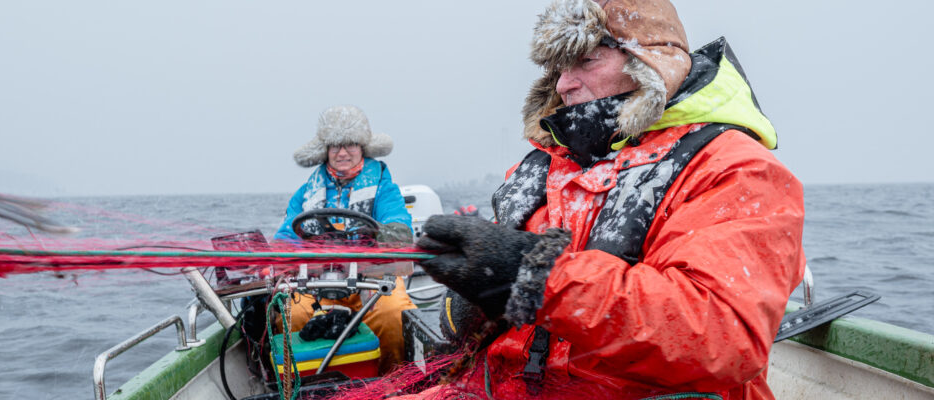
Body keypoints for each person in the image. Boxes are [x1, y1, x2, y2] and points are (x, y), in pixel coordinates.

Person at [413, 0, 805, 399]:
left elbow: (720, 337)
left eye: (586, 61)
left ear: (651, 64)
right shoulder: (548, 166)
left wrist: (536, 278)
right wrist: (473, 288)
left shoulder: (735, 169)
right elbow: (505, 280)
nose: (564, 84)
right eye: (560, 68)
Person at [273, 104, 416, 374]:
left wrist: (393, 234)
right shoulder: (306, 192)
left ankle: (392, 382)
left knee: (393, 312)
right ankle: (307, 385)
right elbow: (287, 234)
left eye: (350, 144)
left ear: (363, 147)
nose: (342, 152)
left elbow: (397, 220)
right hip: (316, 283)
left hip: (372, 279)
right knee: (292, 313)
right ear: (325, 150)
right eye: (334, 145)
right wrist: (281, 252)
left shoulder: (383, 186)